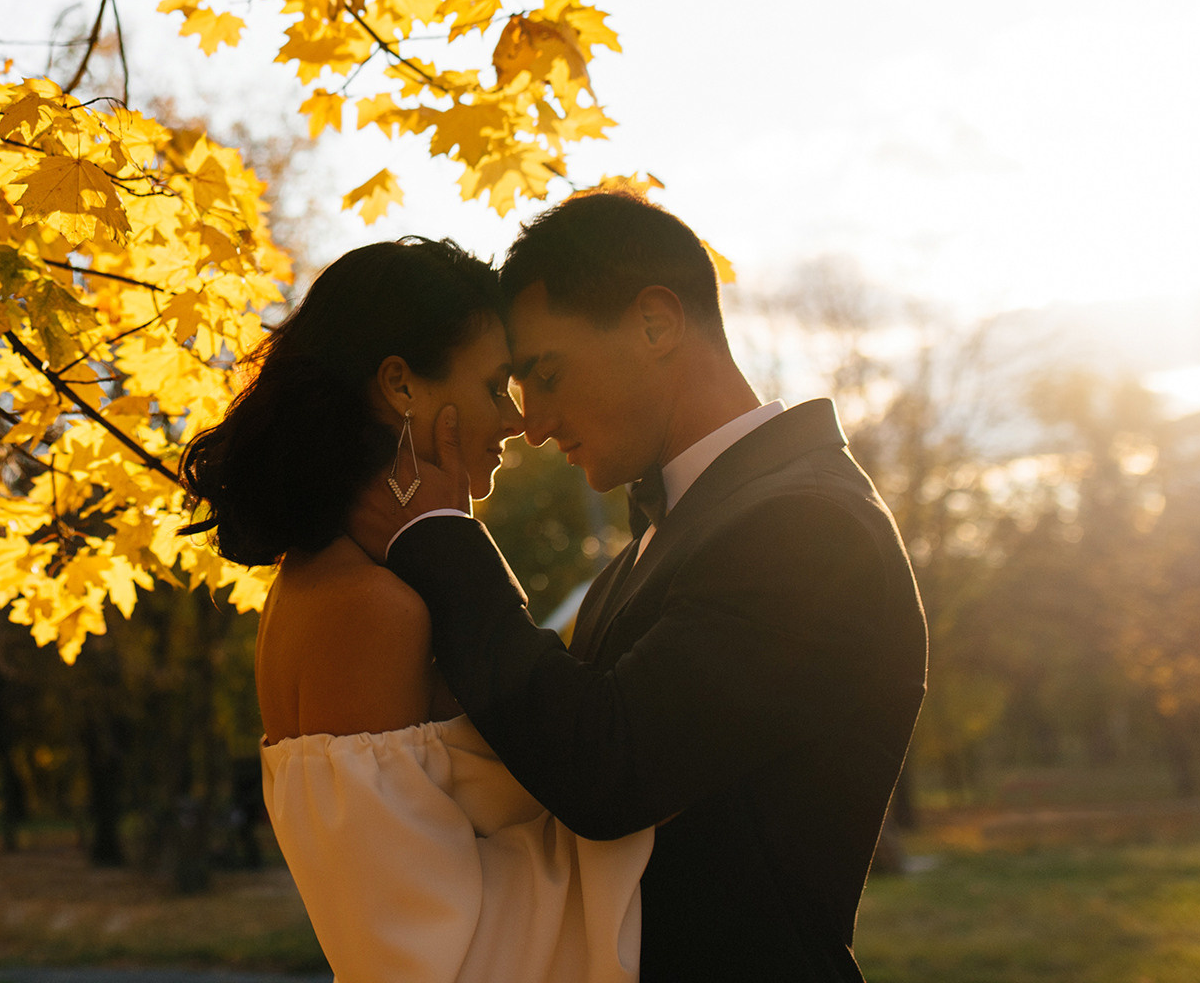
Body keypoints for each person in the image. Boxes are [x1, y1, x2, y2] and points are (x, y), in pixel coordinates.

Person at [348, 193, 928, 982]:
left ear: (657, 323)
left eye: (545, 376)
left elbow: (608, 772)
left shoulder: (808, 527)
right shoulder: (657, 546)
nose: (535, 424)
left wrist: (438, 534)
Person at [182, 237, 653, 983]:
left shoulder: (350, 581)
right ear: (400, 385)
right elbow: (414, 952)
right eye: (498, 386)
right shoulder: (369, 610)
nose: (516, 422)